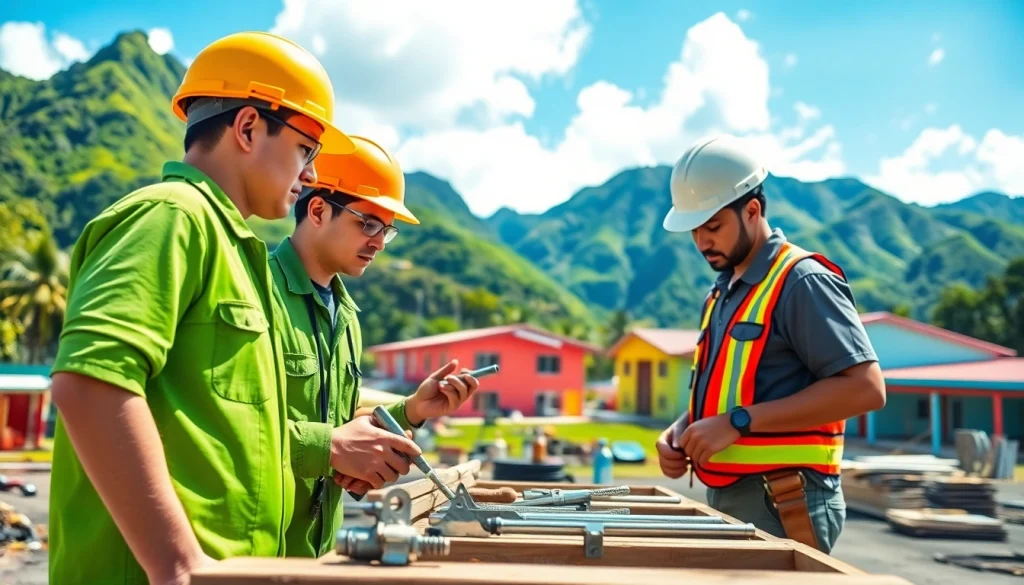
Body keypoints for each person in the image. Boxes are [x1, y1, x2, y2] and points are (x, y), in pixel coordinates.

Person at [47, 31, 354, 585]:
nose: (310, 175)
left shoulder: (242, 255)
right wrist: (178, 565)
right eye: (305, 149)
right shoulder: (172, 217)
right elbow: (90, 383)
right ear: (247, 128)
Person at [654, 134, 886, 554]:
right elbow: (733, 389)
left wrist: (736, 423)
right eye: (694, 230)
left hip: (784, 500)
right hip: (730, 496)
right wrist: (684, 427)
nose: (702, 242)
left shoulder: (802, 281)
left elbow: (866, 388)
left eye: (713, 226)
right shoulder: (722, 293)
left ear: (752, 210)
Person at [271, 136, 482, 557]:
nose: (380, 241)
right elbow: (223, 425)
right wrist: (330, 448)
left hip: (318, 553)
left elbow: (336, 424)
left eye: (387, 230)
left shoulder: (346, 317)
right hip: (252, 555)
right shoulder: (257, 292)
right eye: (367, 223)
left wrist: (411, 411)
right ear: (317, 209)